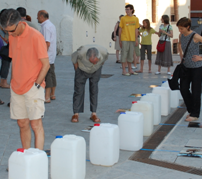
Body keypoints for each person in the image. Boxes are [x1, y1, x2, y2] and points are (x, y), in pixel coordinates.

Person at [0, 9, 50, 149]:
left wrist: (37, 85)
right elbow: (16, 60)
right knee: (22, 123)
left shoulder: (36, 36)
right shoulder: (13, 35)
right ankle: (27, 158)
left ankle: (38, 159)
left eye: (11, 30)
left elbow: (46, 65)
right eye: (6, 31)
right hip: (16, 87)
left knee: (35, 124)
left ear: (21, 23)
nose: (9, 34)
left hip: (33, 87)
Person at [71, 45, 108, 123]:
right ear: (87, 58)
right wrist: (77, 70)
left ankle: (93, 113)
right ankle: (76, 113)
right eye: (92, 62)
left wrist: (98, 65)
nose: (94, 63)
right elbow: (74, 59)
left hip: (96, 70)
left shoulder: (104, 52)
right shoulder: (80, 53)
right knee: (79, 91)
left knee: (94, 90)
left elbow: (104, 60)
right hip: (82, 70)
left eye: (96, 61)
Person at [177, 17, 202, 122]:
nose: (180, 30)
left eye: (182, 28)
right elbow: (179, 44)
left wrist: (201, 57)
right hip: (186, 67)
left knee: (195, 91)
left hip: (197, 68)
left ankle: (195, 114)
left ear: (188, 27)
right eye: (179, 28)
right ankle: (191, 110)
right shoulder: (181, 35)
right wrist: (181, 56)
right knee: (183, 88)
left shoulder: (195, 36)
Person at [37, 10, 57, 103]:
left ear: (42, 16)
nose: (37, 18)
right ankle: (52, 94)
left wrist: (42, 54)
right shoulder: (51, 25)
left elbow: (47, 42)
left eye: (38, 16)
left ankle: (47, 97)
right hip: (51, 54)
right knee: (52, 74)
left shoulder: (45, 27)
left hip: (47, 54)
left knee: (47, 75)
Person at [119, 4, 139, 76]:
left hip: (132, 39)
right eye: (126, 9)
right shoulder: (123, 18)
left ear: (131, 10)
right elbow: (120, 29)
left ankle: (130, 69)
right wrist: (120, 40)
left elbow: (136, 29)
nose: (126, 11)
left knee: (131, 54)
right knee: (124, 54)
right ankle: (124, 70)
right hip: (125, 38)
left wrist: (136, 39)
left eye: (128, 9)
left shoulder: (135, 19)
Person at [0, 9, 10, 89]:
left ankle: (2, 82)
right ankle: (3, 82)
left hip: (2, 46)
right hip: (4, 47)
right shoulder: (4, 24)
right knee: (5, 64)